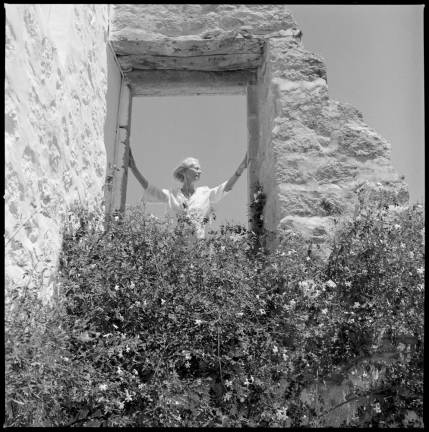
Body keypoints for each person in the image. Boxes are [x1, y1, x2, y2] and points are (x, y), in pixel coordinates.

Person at [128, 148, 249, 239]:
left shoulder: (204, 193)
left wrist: (241, 168)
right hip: (176, 252)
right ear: (185, 171)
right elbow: (150, 189)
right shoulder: (172, 195)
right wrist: (133, 168)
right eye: (196, 168)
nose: (199, 171)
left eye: (200, 169)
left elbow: (225, 188)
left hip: (198, 252)